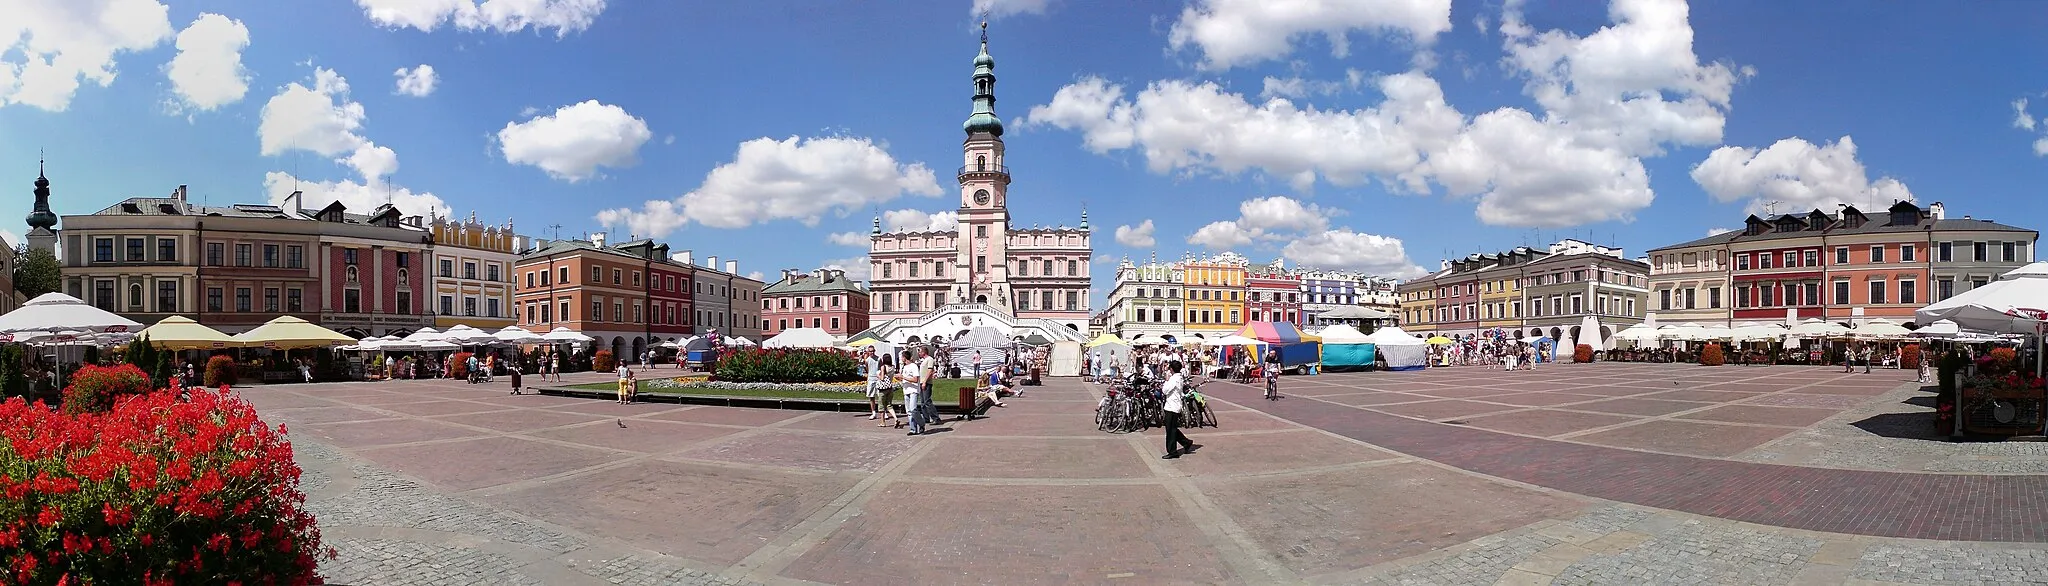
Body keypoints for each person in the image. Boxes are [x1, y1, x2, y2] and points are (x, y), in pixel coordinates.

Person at [1160, 360, 1200, 459]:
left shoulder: (1173, 379)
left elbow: (1165, 391)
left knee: (1170, 430)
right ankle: (1186, 442)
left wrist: (1166, 380)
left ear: (1171, 369)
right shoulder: (1179, 377)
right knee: (1172, 428)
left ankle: (1173, 451)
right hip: (1174, 405)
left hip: (1172, 406)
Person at [899, 349, 927, 436]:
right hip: (906, 390)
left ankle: (922, 423)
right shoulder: (904, 367)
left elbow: (915, 379)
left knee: (913, 409)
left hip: (913, 390)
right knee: (909, 411)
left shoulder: (913, 366)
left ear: (904, 357)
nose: (901, 359)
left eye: (902, 357)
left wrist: (903, 377)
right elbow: (904, 378)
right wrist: (900, 379)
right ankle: (913, 429)